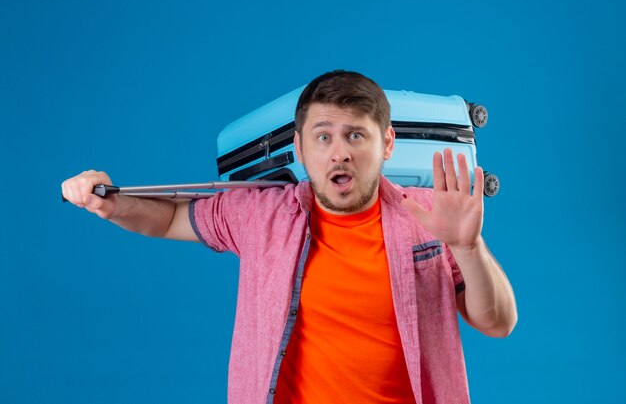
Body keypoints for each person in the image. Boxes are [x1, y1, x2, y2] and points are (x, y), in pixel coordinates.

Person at [62, 70, 517, 404]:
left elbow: (498, 323)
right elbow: (166, 219)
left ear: (388, 144)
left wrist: (467, 246)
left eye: (356, 135)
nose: (339, 152)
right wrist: (111, 202)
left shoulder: (431, 213)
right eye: (323, 137)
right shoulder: (262, 214)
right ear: (299, 149)